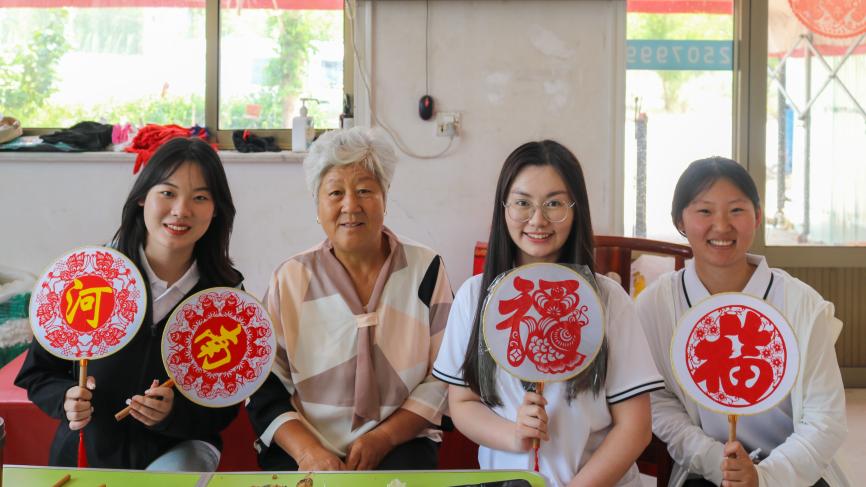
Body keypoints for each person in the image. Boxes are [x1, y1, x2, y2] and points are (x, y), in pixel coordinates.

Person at [433, 140, 663, 487]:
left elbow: (635, 427)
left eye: (554, 203)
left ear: (576, 209)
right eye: (522, 203)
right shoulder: (474, 296)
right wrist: (513, 435)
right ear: (503, 208)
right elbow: (462, 403)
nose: (538, 220)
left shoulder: (609, 300)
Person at [16, 137, 244, 470]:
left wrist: (173, 413)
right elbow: (39, 373)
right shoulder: (91, 275)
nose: (181, 210)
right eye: (167, 193)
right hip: (87, 451)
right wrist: (65, 399)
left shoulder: (225, 296)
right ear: (142, 197)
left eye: (200, 197)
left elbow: (225, 403)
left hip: (179, 453)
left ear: (216, 209)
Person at [246, 127, 452, 471]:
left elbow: (445, 374)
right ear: (317, 205)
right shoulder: (290, 278)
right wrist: (308, 452)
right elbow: (265, 384)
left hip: (400, 442)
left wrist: (383, 438)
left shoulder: (425, 268)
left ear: (385, 198)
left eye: (364, 191)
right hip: (305, 445)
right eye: (335, 193)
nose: (350, 206)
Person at [637, 156, 850, 487]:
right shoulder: (657, 304)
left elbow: (825, 419)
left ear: (757, 217)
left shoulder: (801, 303)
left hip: (795, 473)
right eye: (704, 211)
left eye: (736, 210)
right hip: (706, 470)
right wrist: (715, 461)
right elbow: (657, 400)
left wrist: (764, 476)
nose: (722, 226)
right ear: (680, 220)